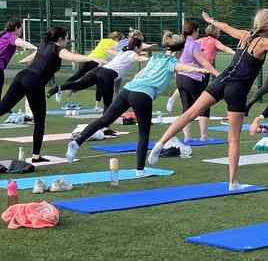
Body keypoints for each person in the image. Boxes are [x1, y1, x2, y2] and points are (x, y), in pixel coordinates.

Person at [148, 10, 268, 190]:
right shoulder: (263, 42)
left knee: (189, 113)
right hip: (237, 89)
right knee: (233, 139)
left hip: (221, 80)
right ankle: (233, 183)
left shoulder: (244, 35)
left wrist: (211, 21)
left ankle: (160, 143)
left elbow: (226, 28)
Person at [66, 34, 205, 171]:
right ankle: (140, 170)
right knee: (143, 134)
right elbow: (183, 68)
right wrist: (197, 69)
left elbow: (141, 73)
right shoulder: (172, 63)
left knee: (105, 119)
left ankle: (77, 142)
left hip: (128, 89)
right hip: (142, 95)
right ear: (180, 51)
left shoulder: (154, 58)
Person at [0, 27, 99, 159]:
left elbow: (31, 58)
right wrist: (91, 58)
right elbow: (72, 57)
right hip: (34, 82)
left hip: (21, 77)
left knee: (2, 107)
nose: (68, 40)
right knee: (39, 120)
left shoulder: (43, 46)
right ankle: (35, 156)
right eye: (67, 38)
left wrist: (26, 60)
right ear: (60, 39)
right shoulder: (58, 49)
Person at [47, 34, 150, 110]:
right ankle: (105, 127)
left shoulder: (123, 52)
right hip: (108, 75)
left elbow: (110, 51)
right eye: (141, 47)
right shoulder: (132, 54)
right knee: (107, 103)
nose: (141, 49)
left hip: (99, 70)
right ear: (136, 47)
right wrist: (149, 59)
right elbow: (138, 58)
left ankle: (57, 88)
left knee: (79, 84)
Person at [175, 20, 219, 142]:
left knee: (186, 107)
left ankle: (187, 138)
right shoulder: (193, 44)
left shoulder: (180, 43)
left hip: (180, 78)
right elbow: (204, 62)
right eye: (198, 30)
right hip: (192, 78)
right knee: (204, 105)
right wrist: (217, 73)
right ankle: (204, 137)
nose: (199, 33)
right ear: (194, 31)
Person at [60, 32, 122, 106]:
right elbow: (113, 51)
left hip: (88, 59)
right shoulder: (115, 43)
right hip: (97, 62)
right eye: (120, 39)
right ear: (117, 38)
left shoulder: (103, 40)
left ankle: (63, 88)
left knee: (78, 75)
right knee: (96, 81)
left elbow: (104, 50)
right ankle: (74, 90)